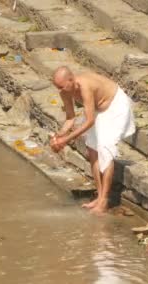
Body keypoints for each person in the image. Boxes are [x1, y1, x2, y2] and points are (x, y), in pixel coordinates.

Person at [49, 66, 136, 215]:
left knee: (105, 149)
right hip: (98, 109)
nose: (60, 90)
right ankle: (99, 195)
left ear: (71, 80)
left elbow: (89, 121)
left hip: (115, 106)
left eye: (62, 86)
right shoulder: (65, 92)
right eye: (57, 87)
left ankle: (104, 200)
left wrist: (66, 140)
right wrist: (59, 136)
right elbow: (70, 118)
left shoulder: (85, 86)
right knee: (92, 149)